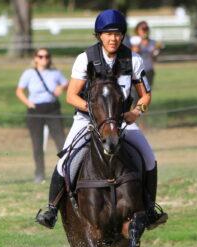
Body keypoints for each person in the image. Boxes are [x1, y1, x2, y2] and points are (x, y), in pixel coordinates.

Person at [35, 9, 168, 230]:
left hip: (122, 121)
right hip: (87, 120)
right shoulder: (85, 59)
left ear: (123, 36)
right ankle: (52, 209)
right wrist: (97, 111)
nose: (113, 38)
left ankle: (150, 209)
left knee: (149, 158)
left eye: (117, 34)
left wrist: (136, 112)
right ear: (99, 36)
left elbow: (146, 95)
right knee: (65, 161)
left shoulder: (133, 59)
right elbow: (71, 96)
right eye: (108, 34)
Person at [16, 48, 68, 183]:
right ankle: (39, 173)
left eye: (46, 56)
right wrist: (28, 103)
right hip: (35, 110)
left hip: (52, 109)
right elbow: (19, 91)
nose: (44, 59)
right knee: (37, 143)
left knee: (61, 141)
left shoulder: (55, 73)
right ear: (35, 58)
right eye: (40, 56)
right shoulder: (29, 73)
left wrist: (61, 88)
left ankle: (65, 171)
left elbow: (67, 85)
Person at [130, 21, 162, 109]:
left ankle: (142, 114)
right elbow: (133, 53)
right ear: (138, 30)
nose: (145, 31)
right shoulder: (134, 40)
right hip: (136, 72)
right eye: (143, 29)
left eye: (147, 29)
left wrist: (156, 51)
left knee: (146, 95)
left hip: (149, 71)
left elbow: (155, 59)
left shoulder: (153, 42)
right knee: (135, 94)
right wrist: (140, 44)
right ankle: (135, 114)